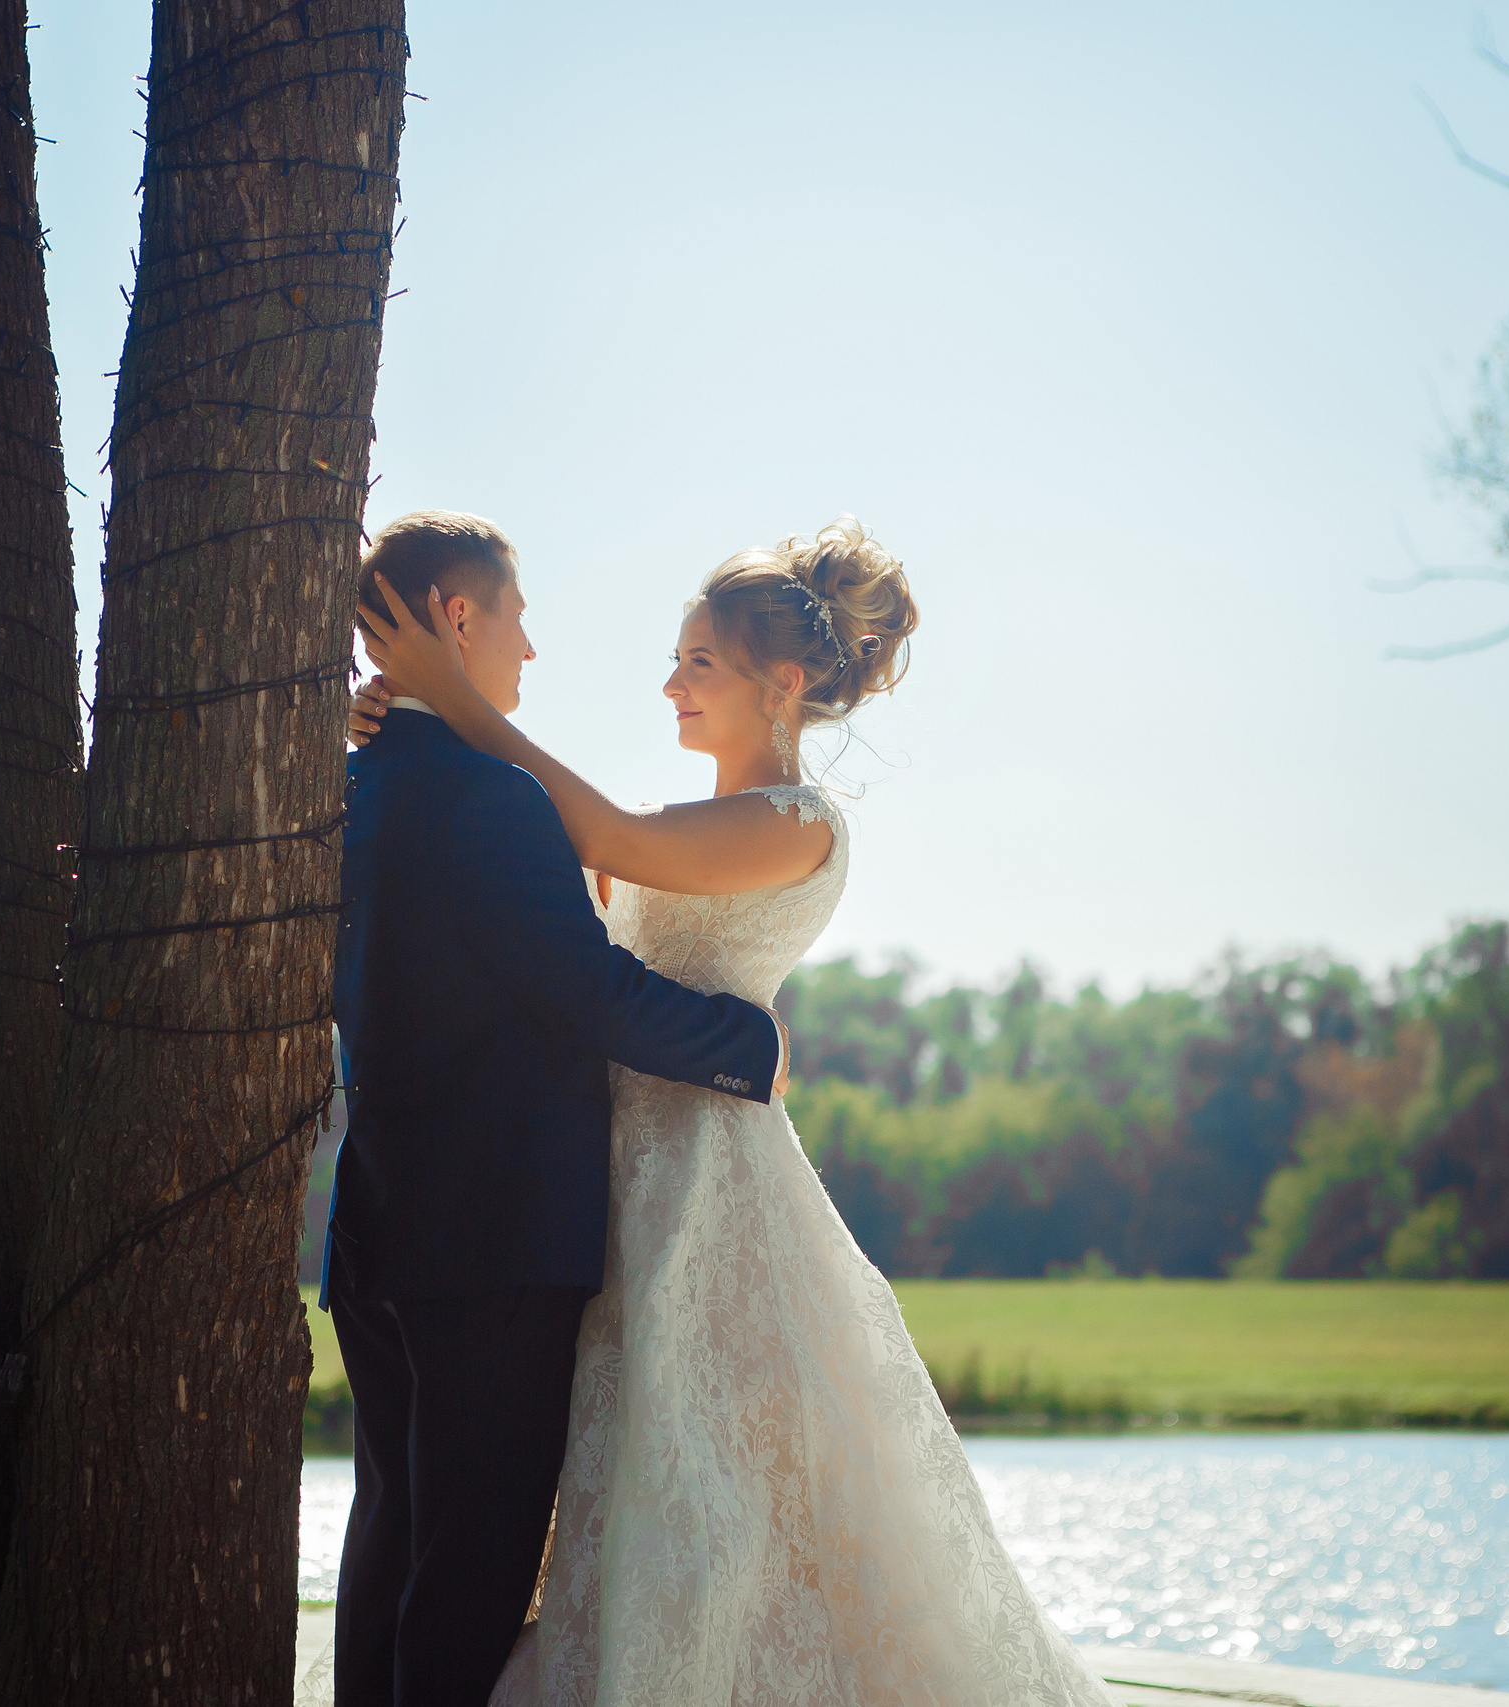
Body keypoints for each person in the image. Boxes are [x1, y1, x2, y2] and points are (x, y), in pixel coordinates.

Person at [351, 516, 1112, 1707]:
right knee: (618, 1468)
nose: (671, 683)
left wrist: (446, 697)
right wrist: (421, 716)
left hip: (706, 1176)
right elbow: (553, 873)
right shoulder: (678, 825)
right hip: (602, 1179)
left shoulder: (793, 824)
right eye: (675, 659)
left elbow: (605, 840)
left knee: (724, 1478)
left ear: (785, 683)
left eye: (698, 662)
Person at [321, 510, 789, 1707]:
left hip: (377, 1228)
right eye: (516, 619)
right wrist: (753, 1045)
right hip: (495, 1237)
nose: (527, 651)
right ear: (457, 617)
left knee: (391, 1535)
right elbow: (588, 994)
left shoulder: (347, 791)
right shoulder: (489, 798)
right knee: (469, 1567)